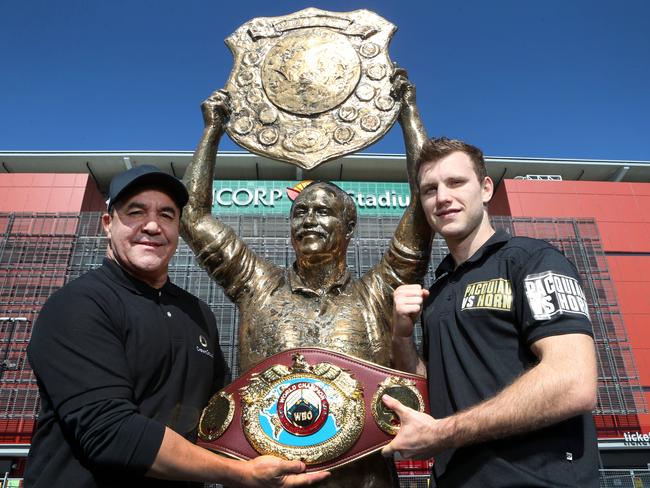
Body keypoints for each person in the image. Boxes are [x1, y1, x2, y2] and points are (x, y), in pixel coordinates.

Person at [180, 75, 433, 488]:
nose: (309, 220)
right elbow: (193, 215)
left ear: (349, 227)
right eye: (300, 213)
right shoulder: (256, 284)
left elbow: (424, 204)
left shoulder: (378, 292)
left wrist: (408, 115)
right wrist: (213, 130)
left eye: (323, 212)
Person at [25, 165, 329, 488]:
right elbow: (111, 433)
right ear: (107, 224)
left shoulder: (197, 313)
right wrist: (242, 474)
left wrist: (315, 425)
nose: (153, 226)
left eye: (167, 215)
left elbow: (224, 414)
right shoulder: (79, 304)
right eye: (136, 212)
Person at [382, 138, 600, 487]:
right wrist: (402, 336)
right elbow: (429, 387)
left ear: (485, 189)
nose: (442, 197)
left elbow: (574, 382)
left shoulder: (534, 261)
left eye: (455, 183)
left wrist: (444, 433)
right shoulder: (436, 291)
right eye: (429, 189)